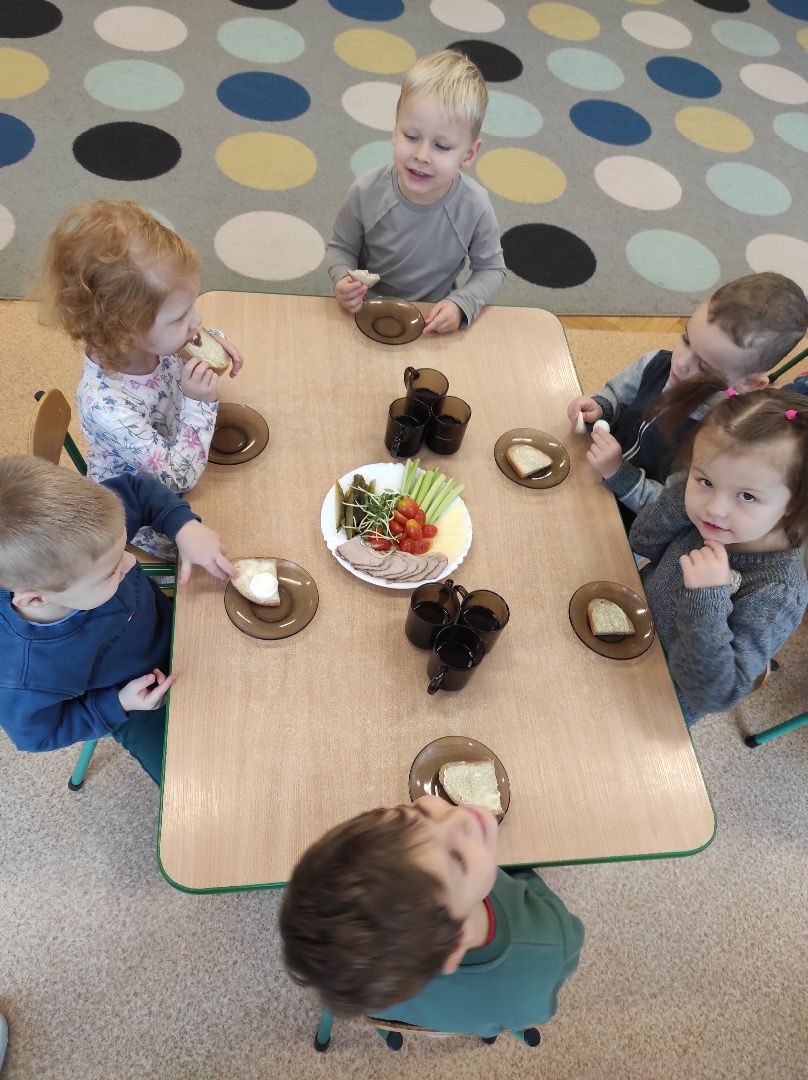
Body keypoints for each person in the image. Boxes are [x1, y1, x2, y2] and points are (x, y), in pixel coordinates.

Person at [0, 455, 235, 784]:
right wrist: (117, 703)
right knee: (194, 780)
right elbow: (38, 736)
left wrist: (184, 527)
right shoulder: (23, 674)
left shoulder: (87, 531)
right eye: (111, 572)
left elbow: (136, 491)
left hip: (175, 626)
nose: (130, 563)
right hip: (138, 702)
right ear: (35, 599)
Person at [36, 199, 243, 557]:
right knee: (245, 533)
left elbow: (176, 343)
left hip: (185, 445)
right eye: (180, 317)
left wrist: (210, 343)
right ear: (126, 333)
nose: (196, 321)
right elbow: (179, 477)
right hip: (152, 514)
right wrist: (199, 403)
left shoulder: (148, 340)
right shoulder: (108, 408)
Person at [280, 795, 584, 1038]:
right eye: (457, 858)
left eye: (419, 812)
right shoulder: (550, 942)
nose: (460, 817)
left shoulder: (376, 981)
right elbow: (542, 1002)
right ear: (457, 942)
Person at [629, 387, 808, 724]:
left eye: (747, 496)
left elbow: (715, 693)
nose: (714, 509)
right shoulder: (709, 515)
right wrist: (683, 499)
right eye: (706, 481)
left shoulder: (778, 593)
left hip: (656, 703)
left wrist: (706, 598)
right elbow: (641, 542)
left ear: (793, 504)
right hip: (630, 625)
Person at [567, 273, 808, 517]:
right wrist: (601, 408)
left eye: (703, 366)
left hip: (626, 519)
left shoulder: (722, 438)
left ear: (748, 383)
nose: (681, 362)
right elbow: (617, 396)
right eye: (686, 339)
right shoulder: (657, 363)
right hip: (589, 473)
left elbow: (673, 509)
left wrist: (618, 473)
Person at [326, 49, 506, 335]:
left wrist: (461, 304)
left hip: (431, 319)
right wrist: (342, 281)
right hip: (365, 310)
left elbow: (492, 269)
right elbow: (340, 248)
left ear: (469, 154)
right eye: (411, 136)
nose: (421, 155)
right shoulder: (366, 191)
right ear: (395, 131)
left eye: (442, 146)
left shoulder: (475, 206)